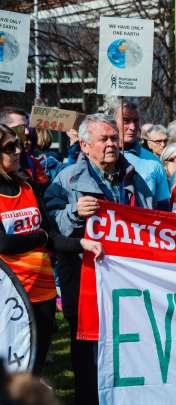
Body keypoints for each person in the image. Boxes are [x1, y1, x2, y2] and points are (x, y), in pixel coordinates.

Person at [45, 114, 154, 405]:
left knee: (126, 346)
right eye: (104, 139)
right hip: (83, 280)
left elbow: (149, 217)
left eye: (114, 138)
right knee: (87, 350)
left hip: (125, 278)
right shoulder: (66, 179)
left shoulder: (133, 176)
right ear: (84, 145)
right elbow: (52, 231)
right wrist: (73, 212)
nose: (112, 144)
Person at [0, 124, 101, 376]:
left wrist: (81, 244)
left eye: (18, 144)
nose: (17, 151)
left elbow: (52, 236)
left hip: (42, 294)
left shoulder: (28, 187)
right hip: (9, 296)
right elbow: (4, 244)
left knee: (34, 369)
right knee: (10, 372)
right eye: (8, 147)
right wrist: (41, 236)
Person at [114, 103, 170, 210]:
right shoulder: (100, 158)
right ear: (113, 122)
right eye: (126, 121)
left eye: (135, 121)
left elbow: (164, 209)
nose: (133, 127)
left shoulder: (154, 162)